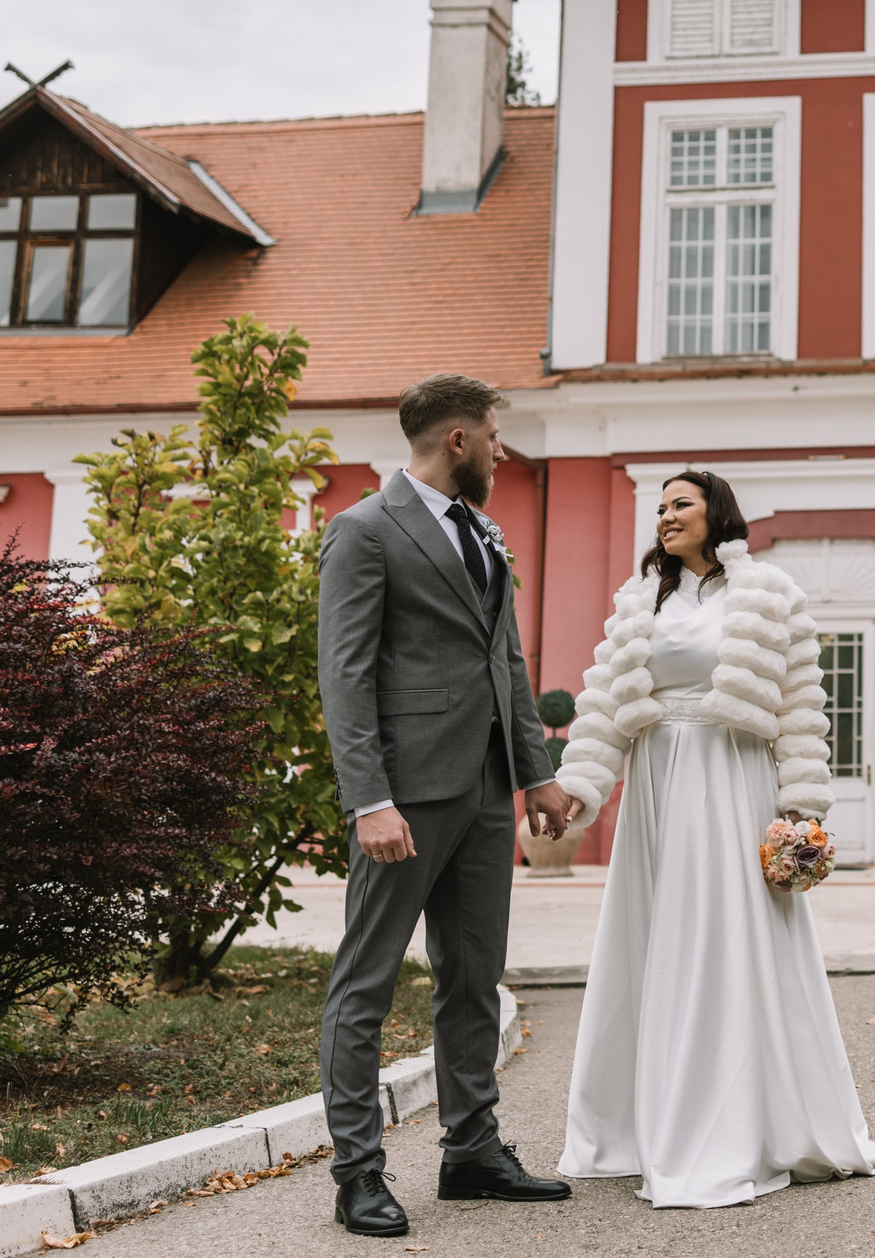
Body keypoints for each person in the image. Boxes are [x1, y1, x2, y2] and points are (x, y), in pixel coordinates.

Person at [550, 469, 875, 1206]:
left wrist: (803, 812)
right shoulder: (639, 598)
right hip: (656, 785)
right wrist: (579, 787)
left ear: (717, 514)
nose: (667, 516)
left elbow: (802, 703)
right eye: (661, 506)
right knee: (658, 942)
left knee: (733, 941)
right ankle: (639, 1131)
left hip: (734, 777)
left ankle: (748, 1123)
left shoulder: (769, 593)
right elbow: (605, 703)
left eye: (682, 504)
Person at [316, 373, 579, 1238]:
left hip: (486, 791)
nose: (504, 452)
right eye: (495, 437)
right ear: (457, 440)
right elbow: (345, 676)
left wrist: (535, 771)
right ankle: (357, 1173)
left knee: (473, 978)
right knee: (368, 981)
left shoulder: (481, 533)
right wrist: (369, 800)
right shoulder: (362, 531)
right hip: (404, 798)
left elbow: (506, 658)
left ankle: (472, 1152)